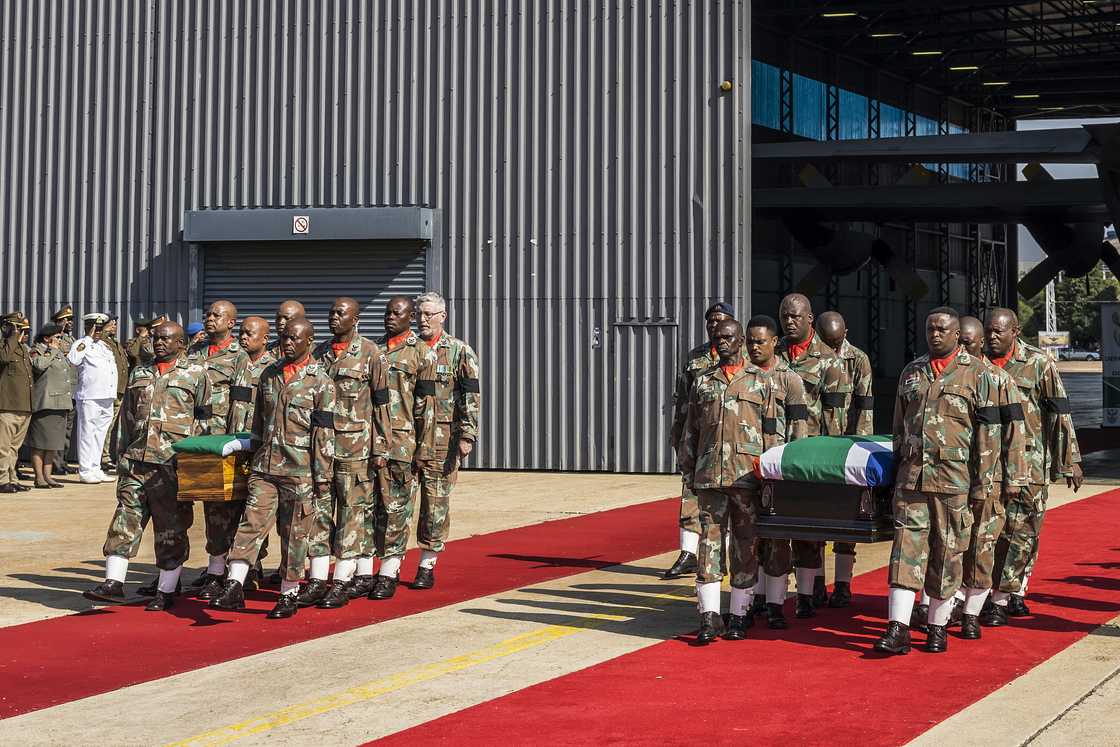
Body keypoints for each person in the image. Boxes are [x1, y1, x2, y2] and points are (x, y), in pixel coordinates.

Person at [874, 307, 1024, 655]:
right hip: (912, 482)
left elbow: (988, 437)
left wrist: (985, 485)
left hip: (955, 482)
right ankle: (897, 628)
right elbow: (899, 427)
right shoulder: (912, 373)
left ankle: (937, 627)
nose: (935, 334)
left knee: (948, 555)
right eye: (930, 328)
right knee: (904, 553)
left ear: (957, 335)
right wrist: (896, 470)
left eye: (942, 329)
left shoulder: (979, 376)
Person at [678, 317, 808, 643]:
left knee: (745, 547)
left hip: (747, 479)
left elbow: (772, 436)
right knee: (709, 545)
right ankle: (708, 616)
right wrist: (688, 471)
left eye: (728, 337)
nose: (721, 342)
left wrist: (773, 478)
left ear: (740, 341)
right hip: (709, 478)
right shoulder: (703, 382)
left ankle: (738, 614)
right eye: (718, 337)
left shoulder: (761, 383)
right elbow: (690, 433)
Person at [211, 317, 336, 619]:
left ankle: (289, 593)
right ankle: (233, 585)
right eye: (284, 338)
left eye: (294, 338)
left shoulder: (321, 383)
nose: (288, 343)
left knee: (294, 535)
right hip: (265, 469)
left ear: (309, 341)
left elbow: (324, 436)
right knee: (250, 524)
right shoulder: (269, 375)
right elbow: (258, 421)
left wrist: (322, 477)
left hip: (301, 472)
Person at [82, 322, 211, 610]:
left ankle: (166, 590)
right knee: (124, 520)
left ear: (181, 344)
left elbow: (205, 420)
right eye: (155, 338)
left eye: (166, 339)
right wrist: (122, 454)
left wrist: (195, 464)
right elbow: (127, 418)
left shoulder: (196, 374)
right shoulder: (141, 372)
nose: (159, 343)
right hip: (136, 461)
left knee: (171, 528)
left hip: (171, 464)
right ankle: (114, 583)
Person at [982, 307, 1082, 626]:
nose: (992, 336)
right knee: (987, 532)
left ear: (1016, 331)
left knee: (1022, 532)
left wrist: (1071, 460)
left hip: (1029, 464)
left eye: (999, 331)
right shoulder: (974, 363)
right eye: (989, 330)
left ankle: (1010, 594)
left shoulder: (1039, 363)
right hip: (986, 464)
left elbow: (1059, 413)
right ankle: (988, 596)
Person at [930, 315, 1026, 639]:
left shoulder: (1000, 381)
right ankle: (946, 605)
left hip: (990, 479)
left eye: (970, 342)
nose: (965, 347)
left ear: (979, 342)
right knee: (950, 545)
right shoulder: (950, 378)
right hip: (951, 477)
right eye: (963, 342)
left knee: (982, 548)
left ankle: (972, 613)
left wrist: (1014, 477)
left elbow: (1015, 434)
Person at [768, 294, 849, 619]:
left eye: (796, 317)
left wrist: (831, 462)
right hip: (776, 454)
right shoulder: (772, 357)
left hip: (810, 456)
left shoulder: (830, 362)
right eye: (785, 316)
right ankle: (770, 594)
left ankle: (811, 589)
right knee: (773, 529)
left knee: (809, 530)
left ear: (810, 319)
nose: (790, 321)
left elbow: (836, 418)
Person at [310, 297, 392, 608]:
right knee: (317, 515)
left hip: (355, 449)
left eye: (341, 313)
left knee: (351, 517)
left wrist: (381, 447)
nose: (334, 317)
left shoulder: (371, 353)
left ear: (355, 319)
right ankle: (318, 578)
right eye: (331, 312)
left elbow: (383, 404)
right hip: (321, 451)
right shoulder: (320, 354)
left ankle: (342, 580)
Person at [411, 291, 481, 590]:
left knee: (435, 504)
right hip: (407, 438)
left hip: (442, 440)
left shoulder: (459, 352)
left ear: (443, 316)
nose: (423, 319)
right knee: (397, 503)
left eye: (429, 314)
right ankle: (390, 565)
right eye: (420, 314)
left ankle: (427, 564)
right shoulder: (406, 349)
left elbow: (471, 395)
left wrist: (467, 434)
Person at [370, 295, 436, 601]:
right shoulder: (373, 350)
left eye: (397, 313)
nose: (390, 317)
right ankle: (366, 569)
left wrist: (424, 448)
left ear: (410, 317)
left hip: (402, 443)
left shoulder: (422, 354)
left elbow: (427, 406)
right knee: (371, 509)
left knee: (397, 509)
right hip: (369, 442)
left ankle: (390, 570)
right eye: (387, 312)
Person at [664, 301, 734, 580]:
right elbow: (683, 401)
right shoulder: (695, 359)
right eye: (710, 321)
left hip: (732, 438)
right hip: (700, 437)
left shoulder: (745, 357)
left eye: (720, 320)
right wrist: (679, 435)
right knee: (690, 491)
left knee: (731, 495)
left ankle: (725, 554)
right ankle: (688, 553)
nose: (714, 325)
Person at [186, 300, 251, 599]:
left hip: (224, 442)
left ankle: (237, 571)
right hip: (199, 441)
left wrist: (234, 443)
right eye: (208, 315)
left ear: (231, 323)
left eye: (217, 316)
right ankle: (215, 568)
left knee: (229, 507)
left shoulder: (240, 357)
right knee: (210, 506)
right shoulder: (194, 353)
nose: (210, 319)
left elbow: (241, 402)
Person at [814, 310, 874, 608]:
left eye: (836, 342)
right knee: (813, 520)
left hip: (847, 447)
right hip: (817, 447)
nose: (832, 348)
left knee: (846, 524)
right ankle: (813, 585)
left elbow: (865, 407)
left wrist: (860, 448)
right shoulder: (811, 358)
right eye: (827, 341)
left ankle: (842, 585)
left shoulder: (858, 359)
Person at [67, 313, 119, 484]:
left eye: (100, 328)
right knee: (87, 433)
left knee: (100, 434)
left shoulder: (104, 346)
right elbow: (73, 359)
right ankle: (85, 470)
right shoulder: (82, 344)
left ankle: (95, 468)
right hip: (90, 396)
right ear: (89, 328)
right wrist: (88, 338)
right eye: (95, 328)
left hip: (106, 395)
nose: (98, 332)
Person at [27, 323, 73, 489]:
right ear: (47, 338)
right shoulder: (37, 350)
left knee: (53, 444)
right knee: (40, 444)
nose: (60, 340)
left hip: (61, 403)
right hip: (46, 404)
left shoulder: (59, 352)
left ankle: (48, 476)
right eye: (58, 337)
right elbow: (38, 366)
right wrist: (52, 350)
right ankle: (39, 477)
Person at [0, 312, 34, 493]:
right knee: (3, 447)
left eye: (20, 328)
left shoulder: (22, 349)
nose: (19, 332)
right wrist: (13, 337)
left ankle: (12, 478)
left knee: (14, 448)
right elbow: (4, 358)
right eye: (15, 327)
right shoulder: (4, 347)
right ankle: (1, 480)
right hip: (7, 405)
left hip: (23, 406)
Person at [100, 315, 130, 471]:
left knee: (111, 426)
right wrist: (103, 331)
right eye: (111, 324)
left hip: (119, 389)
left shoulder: (115, 341)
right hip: (110, 390)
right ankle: (102, 457)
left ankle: (105, 455)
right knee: (105, 426)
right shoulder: (102, 341)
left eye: (115, 324)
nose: (114, 326)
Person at [50, 304, 77, 475]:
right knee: (58, 429)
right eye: (67, 320)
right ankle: (54, 462)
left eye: (71, 320)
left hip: (72, 389)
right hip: (60, 390)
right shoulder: (54, 339)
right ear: (59, 322)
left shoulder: (71, 339)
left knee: (68, 428)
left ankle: (63, 460)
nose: (70, 323)